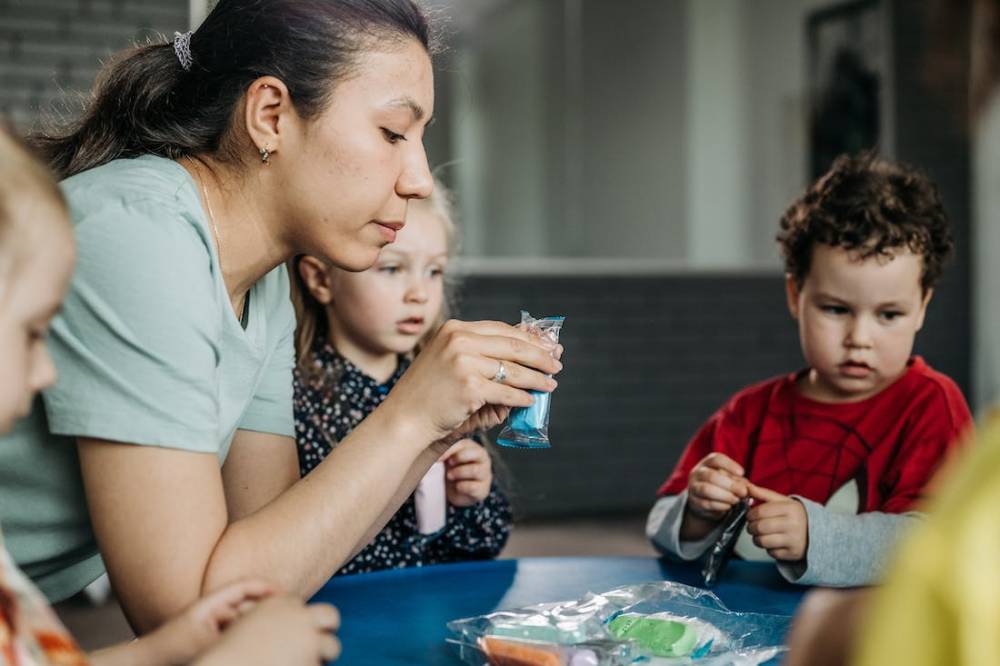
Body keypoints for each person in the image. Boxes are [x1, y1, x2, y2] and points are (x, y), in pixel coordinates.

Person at [1, 0, 561, 635]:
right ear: (271, 115)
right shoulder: (142, 235)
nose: (420, 180)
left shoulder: (262, 277)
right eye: (393, 133)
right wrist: (410, 412)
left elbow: (267, 566)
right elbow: (189, 612)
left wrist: (435, 428)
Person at [0, 127, 340, 666]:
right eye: (33, 333)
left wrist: (159, 653)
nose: (46, 373)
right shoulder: (134, 228)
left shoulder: (268, 286)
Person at [646, 153, 972, 586]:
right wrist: (697, 513)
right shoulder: (748, 414)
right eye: (836, 309)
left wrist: (815, 535)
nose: (860, 337)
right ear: (795, 295)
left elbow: (942, 543)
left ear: (922, 307)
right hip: (742, 642)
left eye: (889, 314)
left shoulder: (932, 405)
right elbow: (661, 528)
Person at [292, 180, 512, 574]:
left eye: (434, 271)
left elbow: (485, 547)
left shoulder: (445, 385)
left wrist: (466, 499)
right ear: (321, 280)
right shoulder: (296, 401)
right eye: (393, 268)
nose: (420, 294)